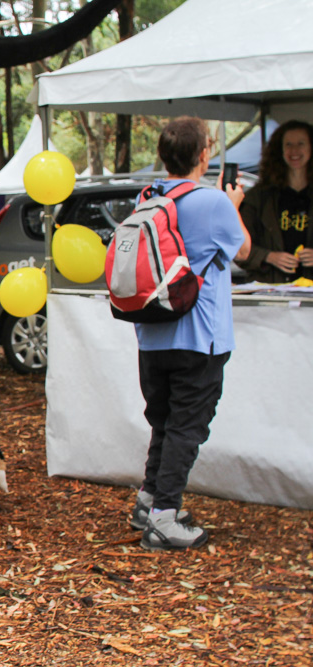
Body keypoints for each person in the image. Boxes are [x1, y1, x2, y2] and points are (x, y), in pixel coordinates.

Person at [128, 116, 251, 551]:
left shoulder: (148, 197)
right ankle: (163, 517)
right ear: (204, 155)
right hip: (200, 336)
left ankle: (149, 500)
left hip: (151, 335)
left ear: (163, 155)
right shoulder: (213, 203)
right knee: (187, 427)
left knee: (163, 421)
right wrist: (232, 203)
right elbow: (244, 250)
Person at [237, 120, 313, 283]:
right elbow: (237, 247)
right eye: (288, 144)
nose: (294, 150)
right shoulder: (259, 197)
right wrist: (268, 257)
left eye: (301, 144)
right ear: (279, 150)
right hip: (271, 291)